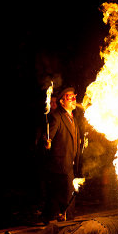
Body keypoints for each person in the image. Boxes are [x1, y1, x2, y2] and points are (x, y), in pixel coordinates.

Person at [42, 87, 82, 223]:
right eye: (69, 97)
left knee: (57, 195)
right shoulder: (56, 116)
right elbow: (48, 137)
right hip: (60, 165)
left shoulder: (73, 119)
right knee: (66, 194)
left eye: (74, 97)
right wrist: (47, 143)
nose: (73, 100)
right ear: (62, 101)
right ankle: (67, 223)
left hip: (70, 163)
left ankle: (50, 218)